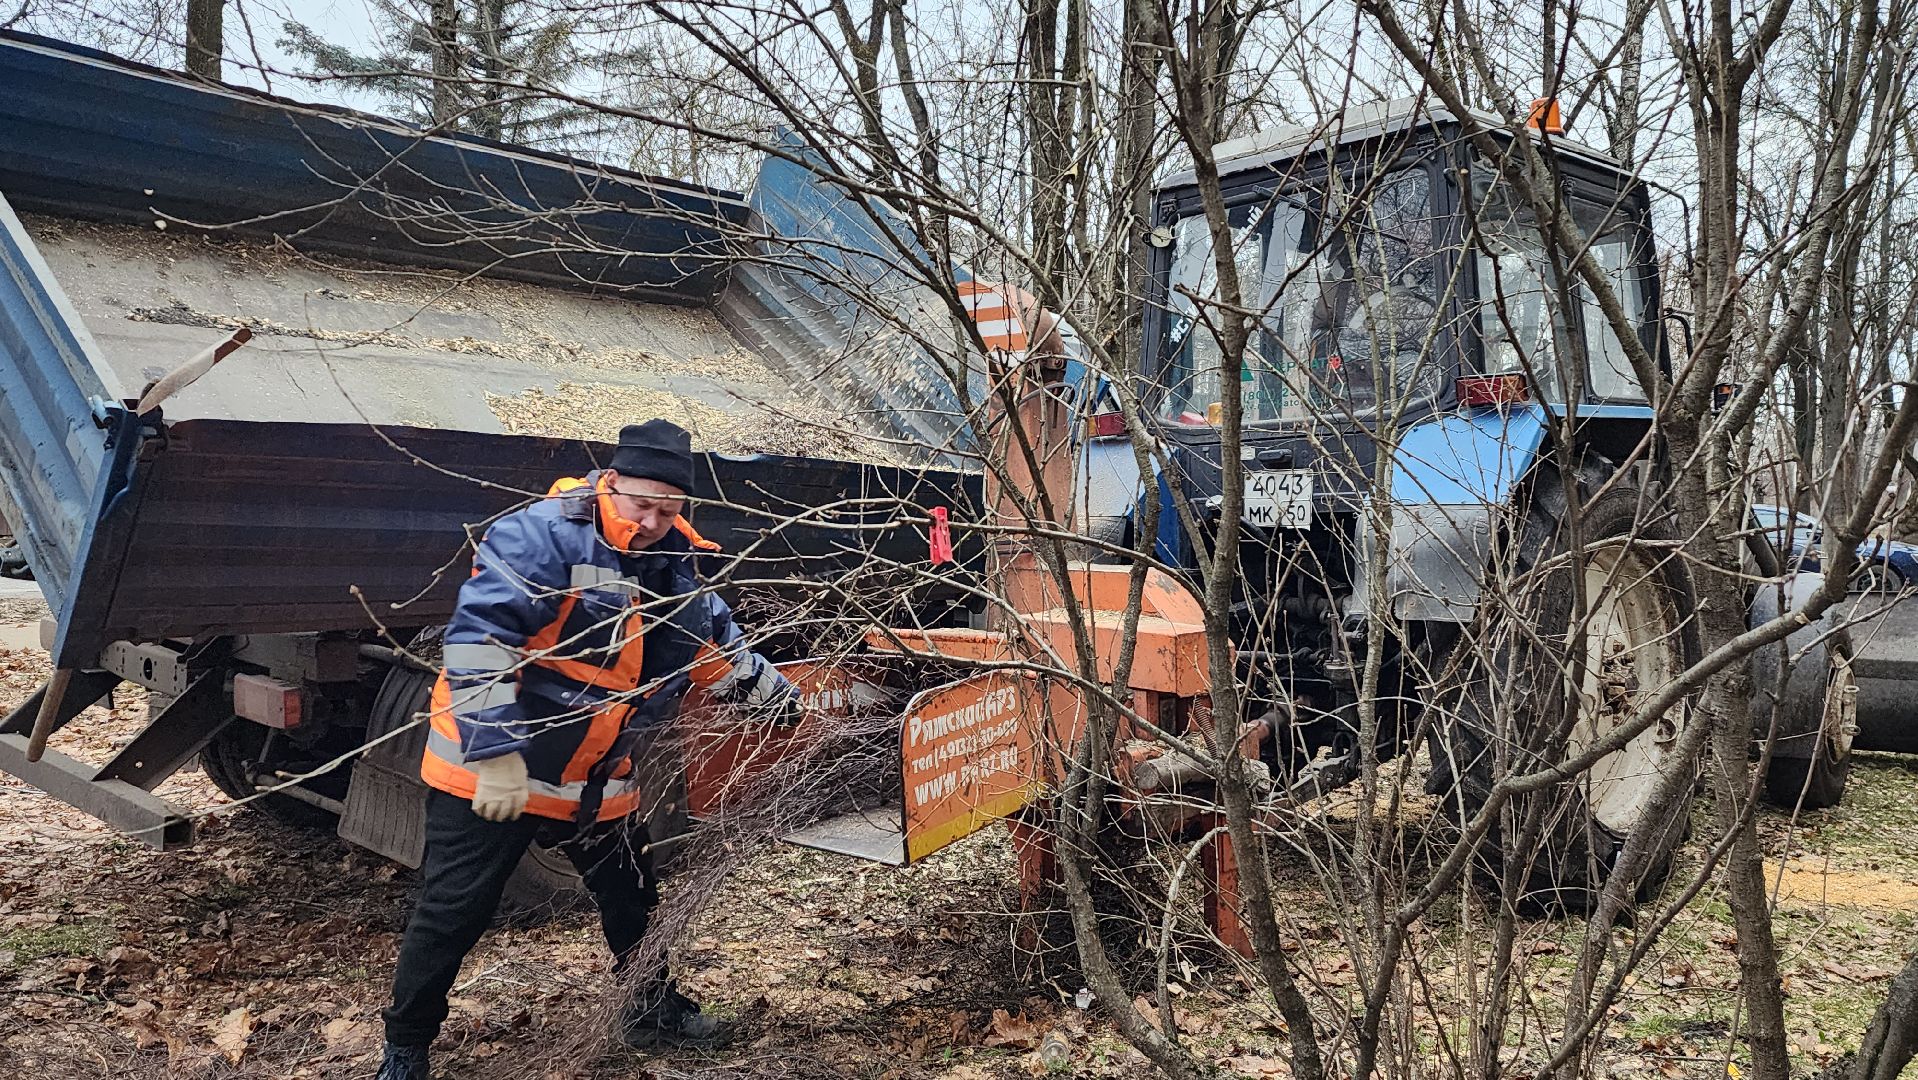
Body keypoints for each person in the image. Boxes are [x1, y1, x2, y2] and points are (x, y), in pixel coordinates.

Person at [376, 419, 801, 1080]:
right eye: (643, 505)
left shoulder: (674, 561)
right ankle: (405, 1048)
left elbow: (711, 641)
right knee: (453, 910)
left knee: (634, 896)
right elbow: (479, 645)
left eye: (671, 508)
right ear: (613, 484)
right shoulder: (541, 536)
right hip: (497, 771)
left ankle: (650, 1009)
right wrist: (494, 757)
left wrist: (775, 700)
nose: (656, 520)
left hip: (596, 779)